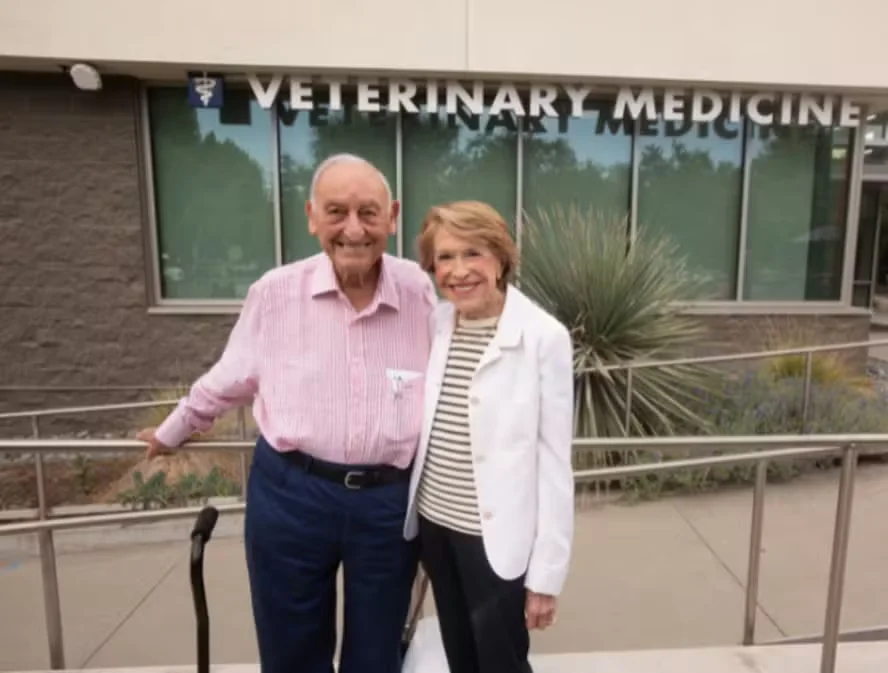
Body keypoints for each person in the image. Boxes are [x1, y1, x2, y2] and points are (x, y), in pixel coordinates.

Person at [137, 154, 437, 673]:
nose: (353, 229)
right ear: (311, 217)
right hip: (292, 496)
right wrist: (173, 429)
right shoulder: (275, 294)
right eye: (336, 212)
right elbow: (229, 376)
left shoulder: (420, 293)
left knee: (377, 655)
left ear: (392, 217)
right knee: (291, 650)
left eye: (368, 213)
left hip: (387, 504)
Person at [403, 201, 575, 673]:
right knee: (460, 655)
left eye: (472, 253)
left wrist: (546, 575)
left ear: (500, 259)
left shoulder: (544, 337)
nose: (458, 271)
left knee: (501, 661)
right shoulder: (438, 324)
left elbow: (555, 463)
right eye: (445, 257)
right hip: (436, 527)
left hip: (495, 540)